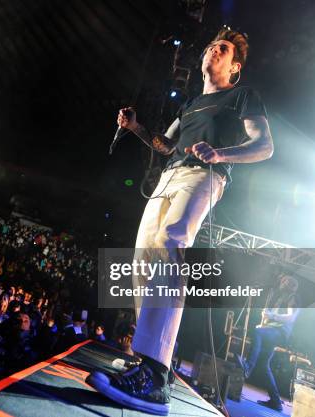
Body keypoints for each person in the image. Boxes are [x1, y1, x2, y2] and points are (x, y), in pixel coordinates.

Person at [87, 28, 274, 415]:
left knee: (173, 244)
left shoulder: (243, 96)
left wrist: (220, 153)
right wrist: (135, 127)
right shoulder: (189, 103)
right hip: (170, 176)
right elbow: (166, 145)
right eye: (210, 46)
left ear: (234, 66)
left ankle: (155, 377)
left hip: (205, 175)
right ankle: (150, 358)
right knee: (142, 258)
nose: (212, 50)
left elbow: (264, 146)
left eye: (221, 49)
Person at [235, 274, 300, 411]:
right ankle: (276, 402)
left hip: (281, 333)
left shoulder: (293, 298)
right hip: (272, 331)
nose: (281, 282)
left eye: (285, 281)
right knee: (264, 365)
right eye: (282, 280)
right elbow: (271, 317)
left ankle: (248, 366)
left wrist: (271, 316)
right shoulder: (279, 297)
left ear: (291, 286)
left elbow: (290, 318)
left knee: (257, 333)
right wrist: (264, 322)